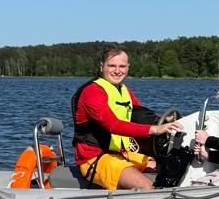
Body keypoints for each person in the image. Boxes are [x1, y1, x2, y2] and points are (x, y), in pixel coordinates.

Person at [72, 46, 181, 190]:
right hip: (94, 158)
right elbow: (113, 125)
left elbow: (139, 114)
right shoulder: (92, 92)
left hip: (121, 153)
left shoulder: (124, 90)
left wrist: (164, 121)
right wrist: (155, 129)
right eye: (112, 66)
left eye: (122, 66)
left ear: (127, 67)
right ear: (101, 66)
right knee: (147, 186)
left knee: (168, 169)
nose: (117, 71)